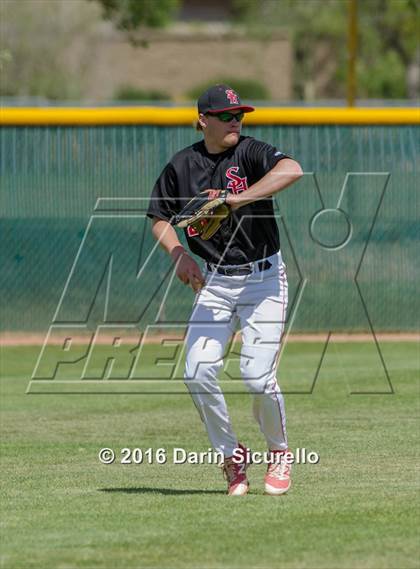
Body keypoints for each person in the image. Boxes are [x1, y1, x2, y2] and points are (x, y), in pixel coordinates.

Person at [147, 84, 303, 496]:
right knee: (196, 372)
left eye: (240, 115)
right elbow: (159, 216)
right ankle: (232, 455)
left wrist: (240, 199)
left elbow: (293, 170)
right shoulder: (182, 165)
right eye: (227, 116)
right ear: (203, 120)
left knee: (257, 377)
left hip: (264, 279)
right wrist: (178, 253)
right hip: (215, 281)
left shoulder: (250, 152)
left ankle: (280, 451)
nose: (236, 122)